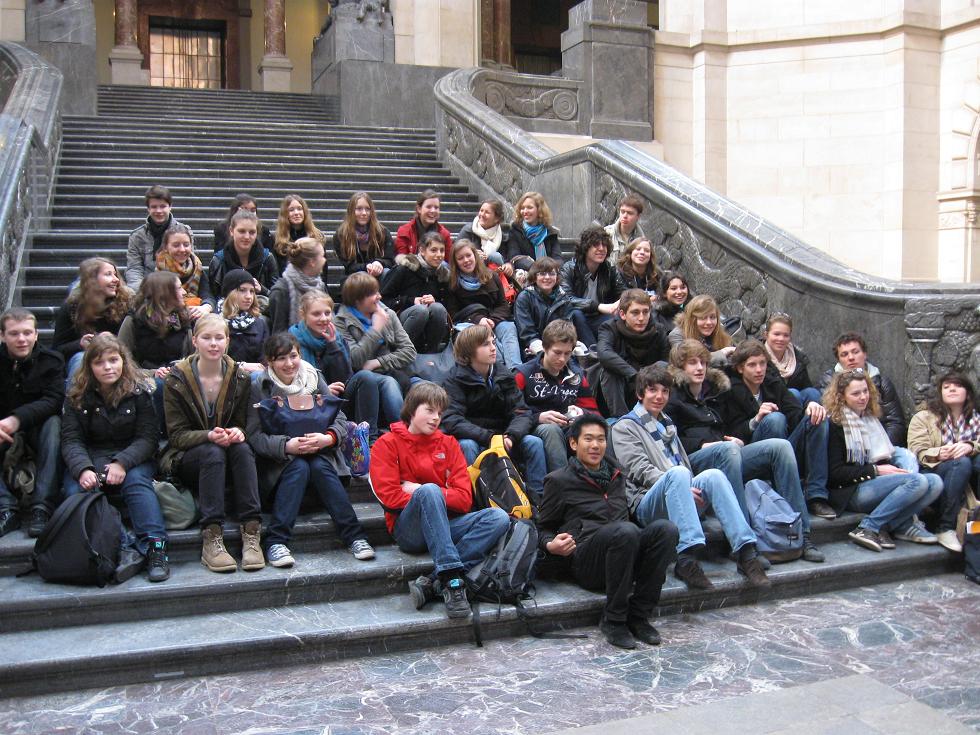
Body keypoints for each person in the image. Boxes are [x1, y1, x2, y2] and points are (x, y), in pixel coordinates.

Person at [611, 365, 769, 589]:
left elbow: (684, 465)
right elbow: (638, 469)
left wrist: (684, 487)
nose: (659, 396)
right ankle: (686, 559)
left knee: (713, 475)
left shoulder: (668, 424)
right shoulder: (624, 426)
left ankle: (746, 554)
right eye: (652, 390)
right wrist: (680, 485)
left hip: (680, 494)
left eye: (664, 391)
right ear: (640, 394)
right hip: (646, 502)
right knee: (679, 473)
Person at [665, 339, 823, 562]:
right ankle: (745, 542)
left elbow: (728, 425)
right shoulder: (672, 396)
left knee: (781, 447)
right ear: (680, 368)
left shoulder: (715, 391)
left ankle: (801, 533)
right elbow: (670, 438)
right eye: (692, 363)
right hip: (692, 460)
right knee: (728, 451)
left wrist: (731, 438)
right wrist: (702, 444)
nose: (699, 368)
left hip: (727, 451)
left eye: (702, 362)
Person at [370, 382, 510, 619]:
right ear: (412, 409)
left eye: (440, 412)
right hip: (409, 531)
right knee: (430, 492)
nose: (436, 418)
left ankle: (434, 580)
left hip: (446, 526)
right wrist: (431, 494)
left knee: (499, 517)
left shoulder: (449, 443)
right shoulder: (386, 444)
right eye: (429, 410)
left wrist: (419, 490)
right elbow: (389, 497)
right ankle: (453, 580)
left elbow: (465, 500)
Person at [537, 413, 678, 649]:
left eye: (601, 439)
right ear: (573, 443)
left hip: (625, 550)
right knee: (625, 531)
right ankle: (613, 620)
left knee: (667, 530)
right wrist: (551, 544)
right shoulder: (559, 480)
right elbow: (542, 527)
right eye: (588, 439)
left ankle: (639, 616)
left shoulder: (617, 474)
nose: (595, 446)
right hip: (588, 560)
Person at [247, 333, 374, 568]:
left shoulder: (313, 377)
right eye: (280, 358)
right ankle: (276, 541)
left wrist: (328, 438)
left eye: (293, 356)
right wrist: (286, 446)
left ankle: (356, 537)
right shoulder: (260, 385)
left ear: (300, 354)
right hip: (280, 469)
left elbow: (340, 418)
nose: (289, 363)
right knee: (298, 466)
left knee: (317, 465)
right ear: (270, 362)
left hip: (321, 458)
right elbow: (254, 435)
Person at [61, 334, 169, 582]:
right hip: (91, 456)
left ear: (123, 361)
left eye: (113, 360)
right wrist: (83, 469)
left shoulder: (139, 391)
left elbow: (148, 437)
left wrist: (122, 462)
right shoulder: (76, 395)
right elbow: (71, 440)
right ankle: (125, 545)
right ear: (89, 367)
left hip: (133, 456)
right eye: (100, 362)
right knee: (76, 491)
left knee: (136, 483)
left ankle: (156, 549)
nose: (108, 367)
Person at [162, 314, 264, 573]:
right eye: (207, 338)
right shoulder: (176, 379)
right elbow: (175, 436)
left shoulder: (240, 378)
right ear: (195, 341)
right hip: (188, 458)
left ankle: (251, 532)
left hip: (227, 453)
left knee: (242, 448)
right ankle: (212, 534)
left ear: (228, 341)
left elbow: (242, 423)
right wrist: (208, 435)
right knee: (212, 451)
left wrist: (237, 432)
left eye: (219, 338)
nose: (213, 344)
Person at [824, 369, 942, 552]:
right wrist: (875, 471)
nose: (863, 397)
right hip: (851, 490)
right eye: (856, 393)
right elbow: (834, 474)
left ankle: (889, 526)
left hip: (876, 483)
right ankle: (868, 527)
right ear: (841, 396)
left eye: (865, 391)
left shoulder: (870, 418)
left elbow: (885, 456)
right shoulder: (835, 424)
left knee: (935, 482)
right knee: (916, 481)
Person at [722, 339, 832, 526]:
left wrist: (810, 406)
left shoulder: (772, 383)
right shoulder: (729, 389)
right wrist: (756, 420)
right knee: (774, 419)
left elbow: (795, 413)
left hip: (783, 450)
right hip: (749, 455)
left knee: (818, 418)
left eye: (762, 363)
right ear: (740, 368)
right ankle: (779, 487)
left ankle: (816, 494)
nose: (759, 370)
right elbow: (728, 433)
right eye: (752, 365)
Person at [441, 325, 547, 501]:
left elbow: (521, 411)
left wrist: (511, 436)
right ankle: (475, 503)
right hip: (476, 438)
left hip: (504, 437)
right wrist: (489, 437)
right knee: (467, 445)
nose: (493, 348)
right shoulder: (453, 379)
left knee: (533, 442)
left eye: (493, 342)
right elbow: (453, 420)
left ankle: (538, 502)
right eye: (485, 344)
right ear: (468, 352)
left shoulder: (504, 374)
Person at [291, 290, 400, 442]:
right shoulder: (293, 341)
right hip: (310, 402)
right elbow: (291, 384)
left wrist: (333, 345)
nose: (324, 319)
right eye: (316, 314)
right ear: (303, 315)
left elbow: (346, 377)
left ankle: (369, 441)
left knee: (366, 377)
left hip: (339, 398)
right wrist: (323, 390)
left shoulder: (336, 338)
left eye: (327, 313)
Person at [0, 308, 64, 537]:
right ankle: (6, 507)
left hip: (38, 431)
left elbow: (54, 400)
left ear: (37, 334)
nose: (22, 339)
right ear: (2, 336)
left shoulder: (52, 361)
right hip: (4, 433)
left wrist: (17, 419)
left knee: (55, 424)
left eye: (27, 333)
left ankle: (41, 507)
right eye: (14, 333)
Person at [907, 371, 980, 552]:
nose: (952, 389)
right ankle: (945, 527)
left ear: (968, 393)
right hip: (934, 471)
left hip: (968, 476)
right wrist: (939, 453)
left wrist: (971, 446)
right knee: (961, 463)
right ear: (940, 393)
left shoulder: (977, 419)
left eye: (957, 386)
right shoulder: (923, 417)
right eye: (946, 387)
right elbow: (916, 450)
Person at [514, 319, 599, 472]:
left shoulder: (577, 375)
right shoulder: (523, 374)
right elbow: (510, 414)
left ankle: (607, 481)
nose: (562, 359)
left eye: (567, 353)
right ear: (545, 348)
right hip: (534, 428)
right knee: (551, 430)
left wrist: (583, 413)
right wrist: (537, 417)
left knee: (604, 427)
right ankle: (563, 486)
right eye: (557, 352)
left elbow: (594, 413)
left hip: (570, 427)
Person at [334, 271, 416, 401]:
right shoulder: (340, 321)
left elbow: (409, 352)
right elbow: (355, 360)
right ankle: (399, 422)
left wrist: (377, 362)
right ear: (357, 299)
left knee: (425, 388)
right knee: (390, 385)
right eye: (372, 293)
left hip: (394, 370)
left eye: (378, 291)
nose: (379, 296)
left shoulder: (388, 314)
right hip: (364, 378)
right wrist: (376, 330)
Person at [817, 332, 907, 447]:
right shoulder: (829, 381)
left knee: (907, 458)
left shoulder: (882, 382)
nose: (851, 358)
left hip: (882, 444)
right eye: (844, 354)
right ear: (838, 360)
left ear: (865, 354)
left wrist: (884, 447)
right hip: (848, 446)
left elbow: (895, 422)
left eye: (855, 352)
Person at [444, 239, 522, 369]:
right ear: (456, 262)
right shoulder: (452, 284)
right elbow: (454, 314)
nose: (466, 260)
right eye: (461, 258)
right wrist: (479, 320)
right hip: (470, 325)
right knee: (489, 342)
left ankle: (516, 371)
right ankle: (499, 372)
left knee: (509, 328)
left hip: (495, 320)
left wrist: (491, 321)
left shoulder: (492, 276)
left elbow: (503, 305)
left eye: (468, 255)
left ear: (475, 255)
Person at [52, 257, 132, 381]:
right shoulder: (72, 307)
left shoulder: (126, 304)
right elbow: (57, 349)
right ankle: (77, 399)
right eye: (108, 274)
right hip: (84, 358)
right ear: (92, 280)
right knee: (80, 359)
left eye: (115, 274)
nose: (116, 279)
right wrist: (79, 344)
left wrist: (112, 342)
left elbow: (136, 343)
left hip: (119, 357)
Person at [593, 289, 670, 418]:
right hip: (622, 383)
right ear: (622, 314)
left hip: (649, 384)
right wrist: (635, 375)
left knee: (663, 366)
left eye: (646, 312)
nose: (641, 318)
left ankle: (656, 416)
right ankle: (622, 420)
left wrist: (645, 377)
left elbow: (667, 361)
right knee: (609, 372)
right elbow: (604, 353)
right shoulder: (609, 328)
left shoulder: (658, 330)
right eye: (635, 313)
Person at [379, 232, 450, 354]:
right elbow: (382, 300)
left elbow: (447, 306)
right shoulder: (404, 269)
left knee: (438, 308)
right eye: (433, 250)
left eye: (442, 251)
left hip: (429, 327)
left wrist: (434, 301)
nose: (439, 255)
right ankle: (401, 352)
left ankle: (431, 353)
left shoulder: (442, 275)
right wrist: (411, 301)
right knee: (420, 310)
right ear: (422, 250)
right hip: (401, 322)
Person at [513, 256, 593, 356]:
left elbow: (566, 328)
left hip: (559, 345)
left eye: (551, 274)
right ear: (534, 277)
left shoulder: (563, 297)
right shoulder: (524, 297)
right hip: (533, 347)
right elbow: (527, 333)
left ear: (557, 277)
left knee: (582, 351)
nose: (547, 277)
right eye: (542, 274)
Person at [117, 271, 192, 376]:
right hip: (143, 382)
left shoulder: (184, 318)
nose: (184, 292)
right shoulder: (134, 321)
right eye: (179, 288)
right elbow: (121, 359)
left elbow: (193, 357)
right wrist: (152, 373)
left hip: (179, 378)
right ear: (164, 293)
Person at [559, 225, 624, 343]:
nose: (601, 249)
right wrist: (598, 306)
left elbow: (623, 292)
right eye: (596, 245)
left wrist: (621, 301)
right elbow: (566, 299)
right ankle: (592, 354)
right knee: (576, 314)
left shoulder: (609, 270)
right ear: (585, 248)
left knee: (616, 319)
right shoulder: (569, 268)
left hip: (598, 317)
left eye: (604, 245)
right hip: (574, 318)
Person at [126, 185, 192, 290]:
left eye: (163, 206)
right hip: (147, 289)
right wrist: (143, 292)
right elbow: (134, 269)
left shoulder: (185, 231)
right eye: (154, 207)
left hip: (179, 286)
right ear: (148, 208)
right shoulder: (137, 236)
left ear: (170, 206)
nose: (158, 211)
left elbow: (189, 263)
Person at [208, 209, 279, 305]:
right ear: (231, 231)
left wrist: (262, 289)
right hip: (227, 311)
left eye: (252, 232)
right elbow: (212, 296)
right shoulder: (218, 260)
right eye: (242, 231)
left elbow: (276, 297)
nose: (247, 237)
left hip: (260, 310)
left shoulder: (267, 258)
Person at [154, 223, 215, 321]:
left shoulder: (197, 267)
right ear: (166, 247)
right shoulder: (159, 272)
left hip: (194, 315)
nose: (182, 249)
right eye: (176, 245)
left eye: (186, 245)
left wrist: (205, 307)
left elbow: (207, 295)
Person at [266, 236, 326, 334]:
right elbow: (279, 334)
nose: (324, 260)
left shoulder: (319, 285)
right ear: (312, 262)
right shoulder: (281, 290)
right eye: (322, 256)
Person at [333, 191, 395, 279]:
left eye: (367, 209)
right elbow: (349, 266)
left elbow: (390, 260)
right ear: (351, 211)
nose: (364, 213)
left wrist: (379, 263)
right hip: (355, 278)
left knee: (386, 273)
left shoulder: (383, 233)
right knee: (361, 276)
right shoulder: (341, 235)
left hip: (380, 275)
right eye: (359, 209)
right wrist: (367, 266)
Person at [763, 312, 820, 406]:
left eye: (786, 335)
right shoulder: (758, 357)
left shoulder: (799, 359)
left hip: (796, 405)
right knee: (793, 393)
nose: (781, 339)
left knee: (812, 393)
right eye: (776, 334)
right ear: (766, 335)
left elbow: (806, 386)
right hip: (771, 405)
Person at [220, 269, 269, 375]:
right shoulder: (215, 321)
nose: (249, 296)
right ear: (229, 292)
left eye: (252, 291)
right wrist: (240, 366)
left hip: (254, 379)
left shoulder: (260, 323)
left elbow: (265, 360)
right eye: (242, 290)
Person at [668, 295, 735, 367]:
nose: (709, 322)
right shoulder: (677, 335)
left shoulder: (720, 333)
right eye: (703, 318)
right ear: (692, 319)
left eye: (712, 317)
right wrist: (723, 352)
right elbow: (689, 362)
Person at [504, 191, 562, 271]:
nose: (525, 211)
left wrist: (547, 270)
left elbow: (558, 259)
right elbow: (514, 258)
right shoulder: (515, 230)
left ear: (539, 210)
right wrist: (538, 269)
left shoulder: (550, 232)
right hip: (527, 275)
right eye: (522, 208)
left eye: (529, 207)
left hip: (548, 274)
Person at [273, 194, 326, 275]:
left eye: (299, 209)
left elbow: (323, 269)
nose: (296, 213)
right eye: (291, 210)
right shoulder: (277, 240)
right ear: (285, 214)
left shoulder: (317, 236)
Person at [457, 198, 512, 273]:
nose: (482, 214)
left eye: (487, 212)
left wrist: (508, 265)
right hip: (471, 271)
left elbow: (506, 258)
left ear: (496, 218)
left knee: (496, 256)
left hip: (494, 274)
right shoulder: (469, 230)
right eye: (481, 210)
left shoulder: (500, 236)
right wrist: (472, 254)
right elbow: (456, 251)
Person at [395, 189, 453, 256]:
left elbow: (448, 262)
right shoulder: (404, 232)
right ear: (419, 209)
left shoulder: (445, 234)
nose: (433, 211)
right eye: (428, 207)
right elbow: (402, 260)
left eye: (436, 207)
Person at [604, 194, 645, 261]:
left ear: (638, 216)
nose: (625, 216)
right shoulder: (606, 233)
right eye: (622, 212)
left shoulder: (642, 242)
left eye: (630, 213)